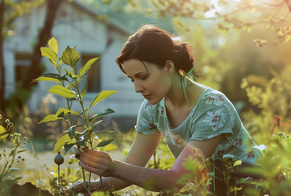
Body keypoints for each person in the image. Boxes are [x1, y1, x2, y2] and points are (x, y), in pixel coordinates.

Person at [67, 25, 263, 195]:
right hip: (211, 188)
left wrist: (113, 167)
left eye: (143, 76)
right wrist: (92, 186)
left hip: (252, 186)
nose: (137, 88)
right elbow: (130, 170)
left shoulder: (213, 108)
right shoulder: (153, 109)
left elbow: (175, 180)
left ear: (169, 67)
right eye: (132, 79)